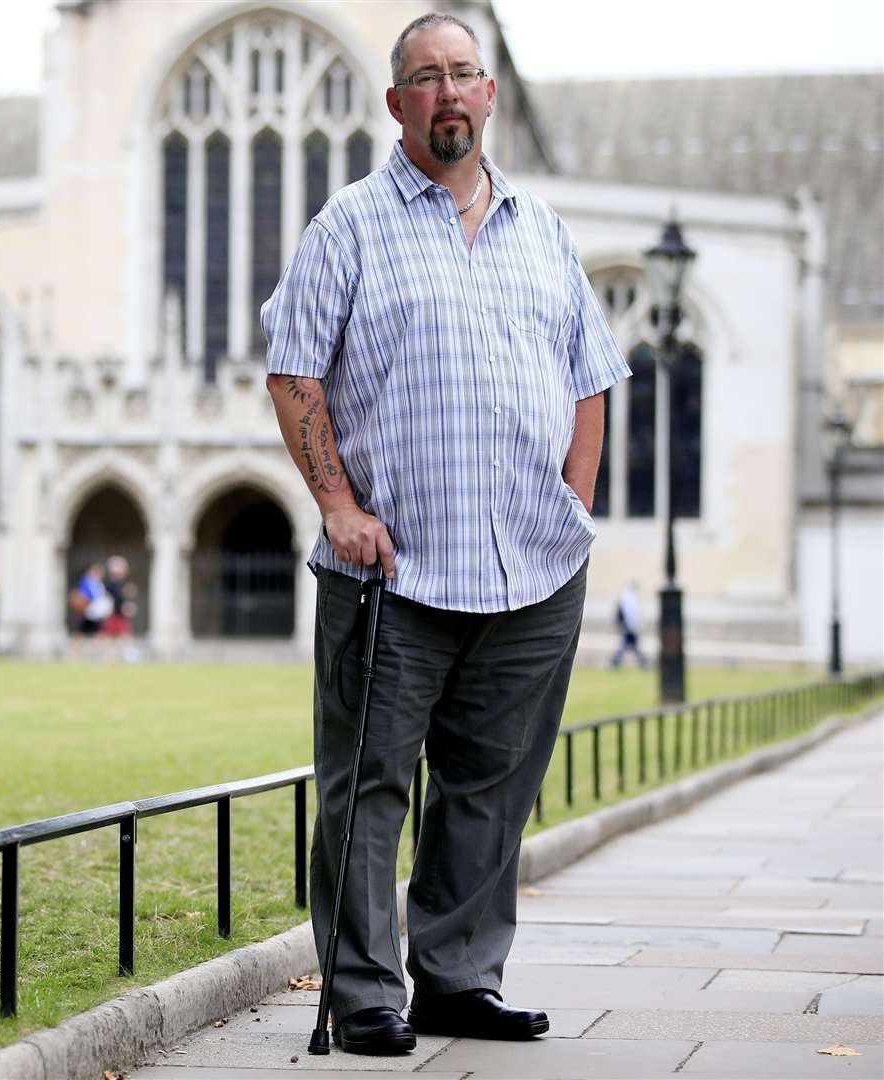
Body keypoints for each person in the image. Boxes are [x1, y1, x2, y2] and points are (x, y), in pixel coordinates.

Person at [261, 12, 629, 1056]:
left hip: (530, 571)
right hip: (392, 571)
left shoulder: (543, 230)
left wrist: (573, 501)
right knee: (366, 788)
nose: (448, 92)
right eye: (425, 78)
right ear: (397, 105)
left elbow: (590, 377)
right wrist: (336, 506)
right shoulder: (347, 228)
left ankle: (458, 980)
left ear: (490, 93)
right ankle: (368, 992)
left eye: (464, 73)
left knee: (488, 788)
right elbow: (293, 369)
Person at [610, 581, 647, 669]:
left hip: (627, 626)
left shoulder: (626, 597)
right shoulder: (631, 598)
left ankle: (615, 661)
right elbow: (631, 614)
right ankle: (644, 662)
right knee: (629, 645)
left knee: (629, 646)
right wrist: (634, 626)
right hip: (629, 626)